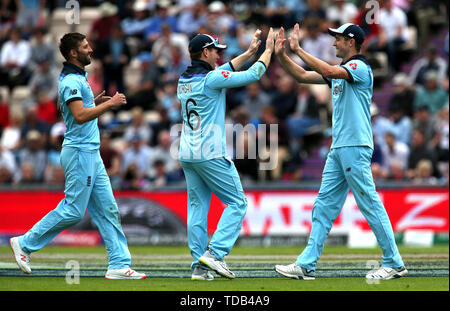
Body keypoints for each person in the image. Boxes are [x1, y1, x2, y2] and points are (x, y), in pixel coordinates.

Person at [273, 23, 406, 280]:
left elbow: (328, 70)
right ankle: (307, 264)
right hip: (339, 147)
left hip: (354, 146)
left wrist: (298, 48)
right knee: (323, 206)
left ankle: (394, 262)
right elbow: (302, 76)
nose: (334, 43)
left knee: (368, 202)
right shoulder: (341, 71)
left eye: (339, 39)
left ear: (351, 42)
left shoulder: (359, 67)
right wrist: (282, 56)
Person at [9, 32, 146, 280]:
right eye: (85, 46)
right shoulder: (71, 81)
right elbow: (80, 116)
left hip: (89, 151)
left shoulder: (75, 78)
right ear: (73, 53)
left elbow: (76, 113)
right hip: (80, 152)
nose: (90, 49)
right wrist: (109, 104)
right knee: (73, 210)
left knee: (108, 209)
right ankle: (25, 244)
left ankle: (118, 264)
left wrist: (94, 102)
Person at [177, 28, 274, 281]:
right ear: (205, 52)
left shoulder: (183, 81)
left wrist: (250, 51)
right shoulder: (212, 79)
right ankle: (216, 253)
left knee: (197, 210)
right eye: (215, 51)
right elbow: (254, 74)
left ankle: (199, 267)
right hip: (211, 153)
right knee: (238, 202)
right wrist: (268, 52)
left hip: (188, 153)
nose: (219, 56)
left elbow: (225, 68)